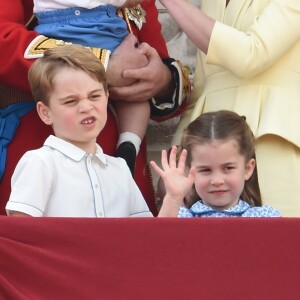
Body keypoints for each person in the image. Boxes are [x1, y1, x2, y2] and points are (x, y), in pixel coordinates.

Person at [0, 0, 190, 216]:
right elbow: (3, 39)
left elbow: (161, 62)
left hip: (120, 157)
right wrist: (101, 66)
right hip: (43, 142)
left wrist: (160, 79)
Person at [158, 0, 300, 217]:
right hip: (209, 152)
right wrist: (179, 157)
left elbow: (251, 55)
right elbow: (202, 91)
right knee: (206, 249)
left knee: (279, 245)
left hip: (275, 143)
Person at [6, 44, 153, 217]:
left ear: (106, 97)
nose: (86, 107)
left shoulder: (120, 169)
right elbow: (22, 234)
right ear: (45, 113)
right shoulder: (40, 162)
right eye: (71, 101)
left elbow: (144, 236)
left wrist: (173, 197)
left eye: (94, 96)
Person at [32, 0, 150, 175]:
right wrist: (106, 65)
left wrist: (163, 76)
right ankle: (129, 143)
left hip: (52, 30)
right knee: (135, 90)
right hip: (100, 28)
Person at [151, 110, 281, 217]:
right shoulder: (182, 217)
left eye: (228, 168)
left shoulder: (265, 217)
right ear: (190, 172)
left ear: (247, 169)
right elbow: (159, 243)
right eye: (205, 170)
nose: (217, 180)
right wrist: (173, 198)